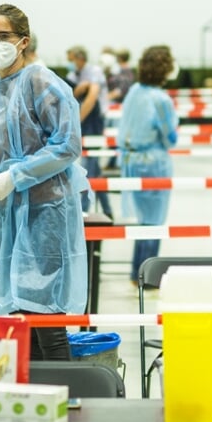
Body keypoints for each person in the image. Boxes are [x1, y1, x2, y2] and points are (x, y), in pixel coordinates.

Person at [0, 4, 85, 422]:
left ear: (23, 38)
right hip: (12, 218)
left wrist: (18, 176)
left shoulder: (45, 84)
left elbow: (66, 145)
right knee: (21, 325)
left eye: (1, 34)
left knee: (47, 326)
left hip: (45, 213)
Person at [118, 46, 178, 284]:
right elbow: (170, 137)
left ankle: (137, 271)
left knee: (143, 221)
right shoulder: (161, 99)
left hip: (131, 161)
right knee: (154, 222)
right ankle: (149, 277)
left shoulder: (134, 90)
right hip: (154, 163)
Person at [66, 45, 112, 217]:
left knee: (89, 166)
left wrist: (76, 122)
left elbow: (92, 97)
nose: (70, 63)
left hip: (93, 120)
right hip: (83, 119)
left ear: (80, 58)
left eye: (71, 59)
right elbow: (73, 93)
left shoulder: (94, 71)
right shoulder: (73, 75)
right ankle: (108, 211)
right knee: (93, 170)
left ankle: (84, 208)